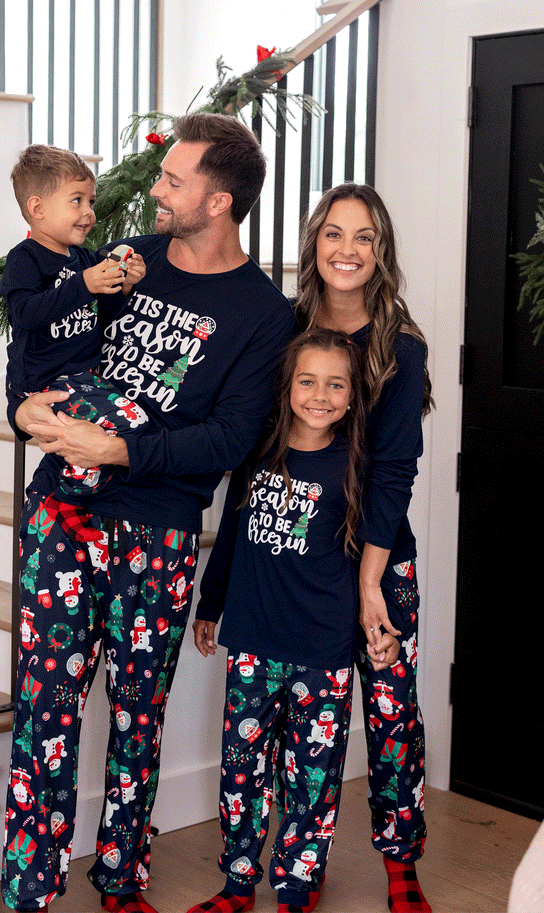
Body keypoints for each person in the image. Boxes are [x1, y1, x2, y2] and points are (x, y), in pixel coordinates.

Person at [0, 113, 296, 913]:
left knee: (138, 715)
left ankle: (122, 877)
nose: (155, 189)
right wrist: (21, 413)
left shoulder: (263, 315)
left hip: (155, 534)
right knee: (43, 708)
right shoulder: (126, 260)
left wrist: (121, 453)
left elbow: (233, 438)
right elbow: (42, 349)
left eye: (174, 179)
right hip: (60, 515)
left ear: (222, 200)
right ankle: (28, 885)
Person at [188, 328, 367, 913]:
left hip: (322, 645)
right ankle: (239, 880)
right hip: (253, 641)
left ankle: (297, 882)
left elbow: (370, 554)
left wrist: (375, 627)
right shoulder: (259, 452)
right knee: (242, 772)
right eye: (307, 381)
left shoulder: (355, 464)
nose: (320, 394)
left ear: (352, 393)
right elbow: (233, 539)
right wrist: (210, 606)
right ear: (287, 386)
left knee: (312, 776)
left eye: (335, 384)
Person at [293, 183, 434, 913]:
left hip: (379, 558)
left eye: (365, 237)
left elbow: (395, 470)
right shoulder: (284, 331)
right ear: (314, 244)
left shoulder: (400, 348)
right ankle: (301, 866)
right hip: (299, 560)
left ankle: (400, 862)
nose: (348, 250)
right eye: (335, 234)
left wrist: (371, 582)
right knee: (304, 719)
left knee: (388, 711)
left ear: (381, 254)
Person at [0, 143, 148, 498]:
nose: (89, 213)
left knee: (136, 422)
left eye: (91, 202)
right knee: (129, 422)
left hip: (84, 377)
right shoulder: (25, 259)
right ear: (37, 208)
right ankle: (73, 484)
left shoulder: (83, 258)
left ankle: (80, 477)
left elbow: (100, 318)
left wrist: (123, 287)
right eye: (77, 200)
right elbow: (24, 313)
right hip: (43, 381)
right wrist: (84, 284)